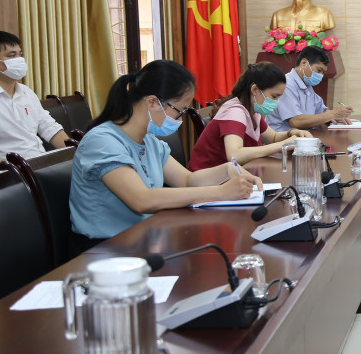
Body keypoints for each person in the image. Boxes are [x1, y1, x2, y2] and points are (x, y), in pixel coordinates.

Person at [71, 60, 262, 241]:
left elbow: (186, 181)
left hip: (146, 236)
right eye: (179, 111)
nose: (180, 119)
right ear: (152, 102)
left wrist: (228, 169)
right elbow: (142, 200)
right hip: (106, 247)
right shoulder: (102, 141)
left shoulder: (148, 141)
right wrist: (220, 192)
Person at [188, 62, 313, 171]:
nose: (277, 101)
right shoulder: (234, 112)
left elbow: (273, 137)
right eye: (274, 96)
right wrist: (282, 146)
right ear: (254, 89)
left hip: (233, 176)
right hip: (209, 181)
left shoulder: (252, 110)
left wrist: (292, 133)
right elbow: (235, 155)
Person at [0, 31, 68, 162]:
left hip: (41, 162)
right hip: (12, 169)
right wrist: (7, 172)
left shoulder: (26, 92)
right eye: (12, 56)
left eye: (20, 55)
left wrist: (77, 155)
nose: (19, 60)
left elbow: (49, 127)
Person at [265, 46, 353, 131]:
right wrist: (332, 114)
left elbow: (322, 111)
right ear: (304, 63)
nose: (321, 76)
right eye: (319, 70)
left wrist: (337, 115)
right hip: (283, 139)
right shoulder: (286, 84)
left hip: (303, 137)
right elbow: (296, 122)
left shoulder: (307, 85)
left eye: (323, 73)